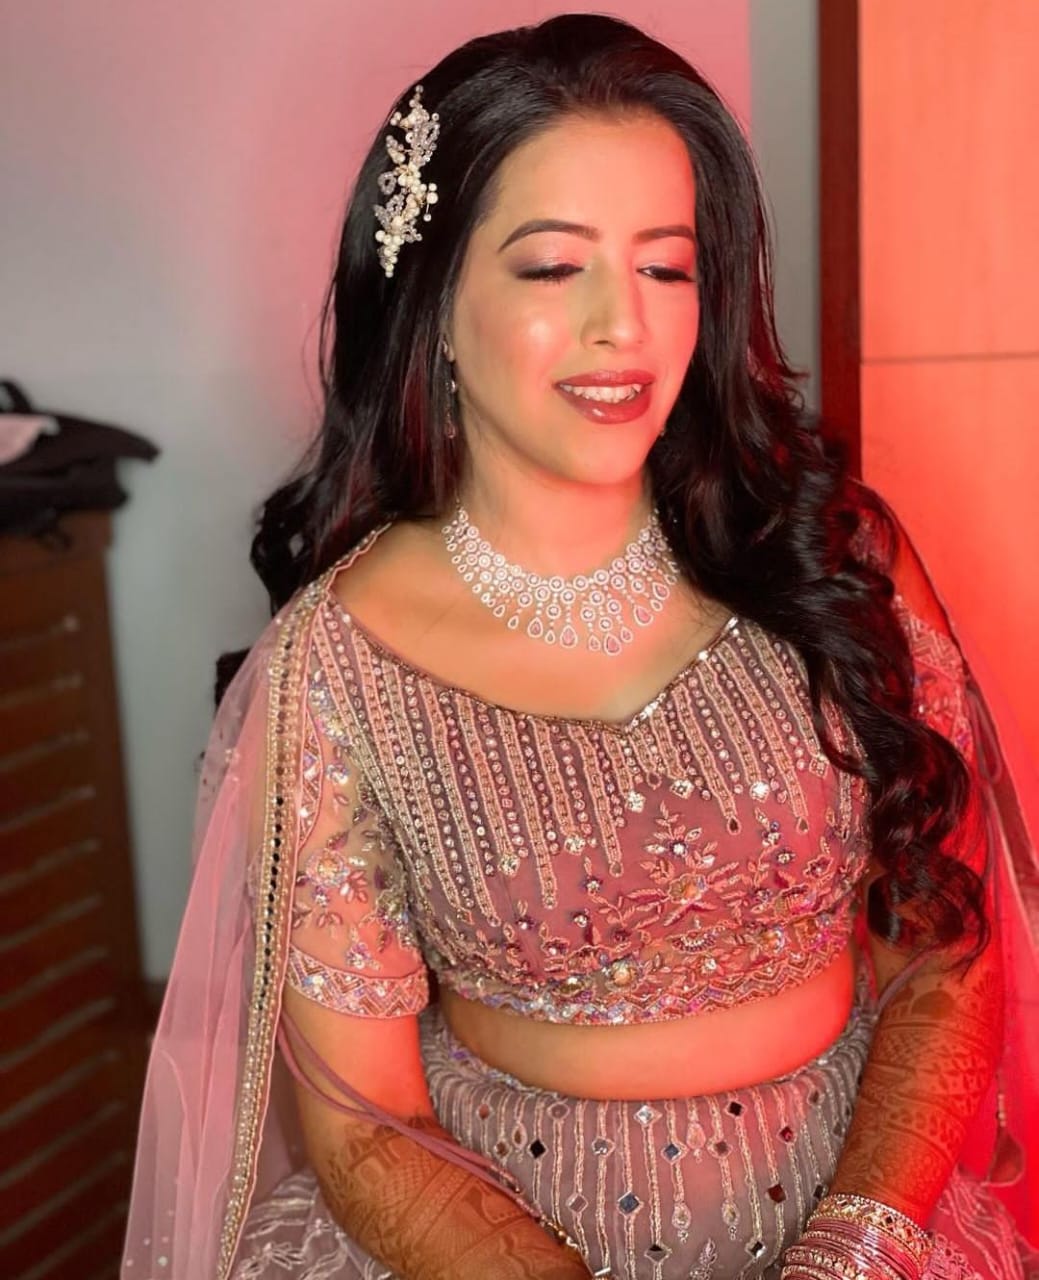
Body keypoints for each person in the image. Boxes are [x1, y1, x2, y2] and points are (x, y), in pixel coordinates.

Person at [121, 14, 1039, 1279]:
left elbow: (943, 950)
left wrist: (855, 1247)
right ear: (435, 306)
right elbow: (362, 1124)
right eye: (555, 268)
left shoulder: (831, 562)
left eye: (666, 267)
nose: (624, 326)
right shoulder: (335, 665)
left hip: (870, 1221)